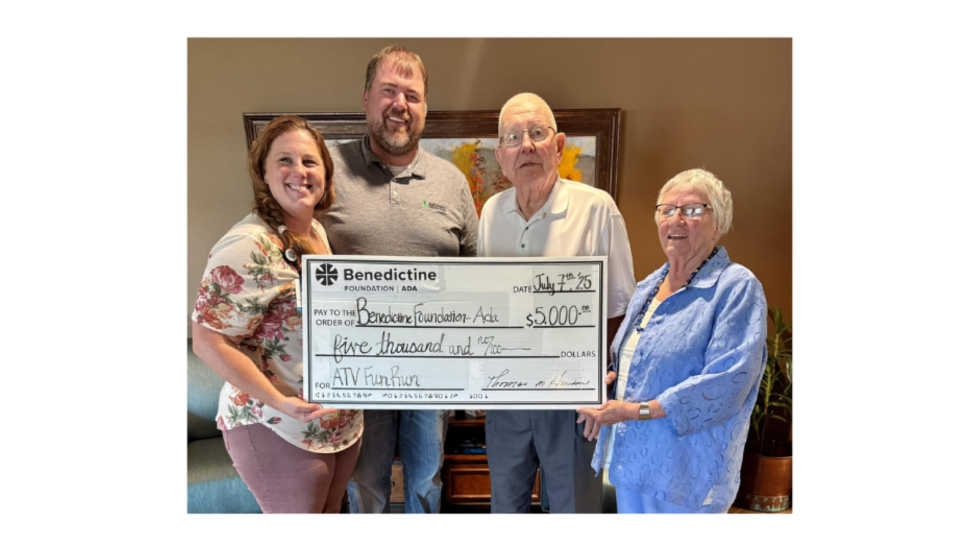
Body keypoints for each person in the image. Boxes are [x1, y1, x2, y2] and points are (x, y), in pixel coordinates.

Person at [319, 45, 479, 514]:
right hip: (353, 365)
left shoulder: (451, 182)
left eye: (412, 94)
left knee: (427, 477)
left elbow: (475, 275)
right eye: (389, 90)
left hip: (434, 364)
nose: (400, 104)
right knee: (364, 481)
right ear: (367, 97)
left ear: (424, 107)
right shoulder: (326, 171)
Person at [192, 115, 363, 514]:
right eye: (284, 160)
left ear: (325, 174)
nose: (298, 172)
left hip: (336, 425)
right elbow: (207, 341)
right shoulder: (247, 244)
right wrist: (278, 400)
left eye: (310, 162)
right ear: (264, 173)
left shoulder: (316, 234)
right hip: (277, 423)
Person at [478, 93, 636, 513]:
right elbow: (485, 307)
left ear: (560, 145)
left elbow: (621, 310)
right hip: (507, 397)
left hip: (573, 400)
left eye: (537, 133)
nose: (526, 145)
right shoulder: (491, 212)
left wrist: (600, 389)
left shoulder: (596, 208)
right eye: (513, 137)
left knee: (572, 511)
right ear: (500, 155)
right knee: (504, 508)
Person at [576, 168, 767, 514]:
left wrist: (635, 411)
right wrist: (606, 385)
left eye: (693, 210)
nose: (676, 218)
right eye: (667, 209)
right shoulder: (649, 286)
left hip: (687, 473)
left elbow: (726, 384)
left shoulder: (736, 287)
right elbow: (631, 360)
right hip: (633, 463)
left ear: (719, 223)